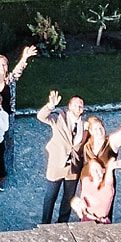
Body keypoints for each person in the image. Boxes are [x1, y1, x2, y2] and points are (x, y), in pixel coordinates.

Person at [71, 101, 121, 225]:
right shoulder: (87, 144)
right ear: (90, 131)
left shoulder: (111, 142)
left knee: (104, 211)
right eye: (95, 129)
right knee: (86, 208)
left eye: (101, 127)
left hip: (105, 183)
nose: (99, 131)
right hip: (87, 182)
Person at [34, 90, 85, 225]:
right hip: (57, 164)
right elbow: (41, 116)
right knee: (51, 196)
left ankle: (62, 223)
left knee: (68, 198)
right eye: (75, 105)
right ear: (69, 106)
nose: (78, 108)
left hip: (73, 167)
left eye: (81, 106)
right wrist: (50, 106)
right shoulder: (59, 116)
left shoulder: (84, 125)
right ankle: (45, 223)